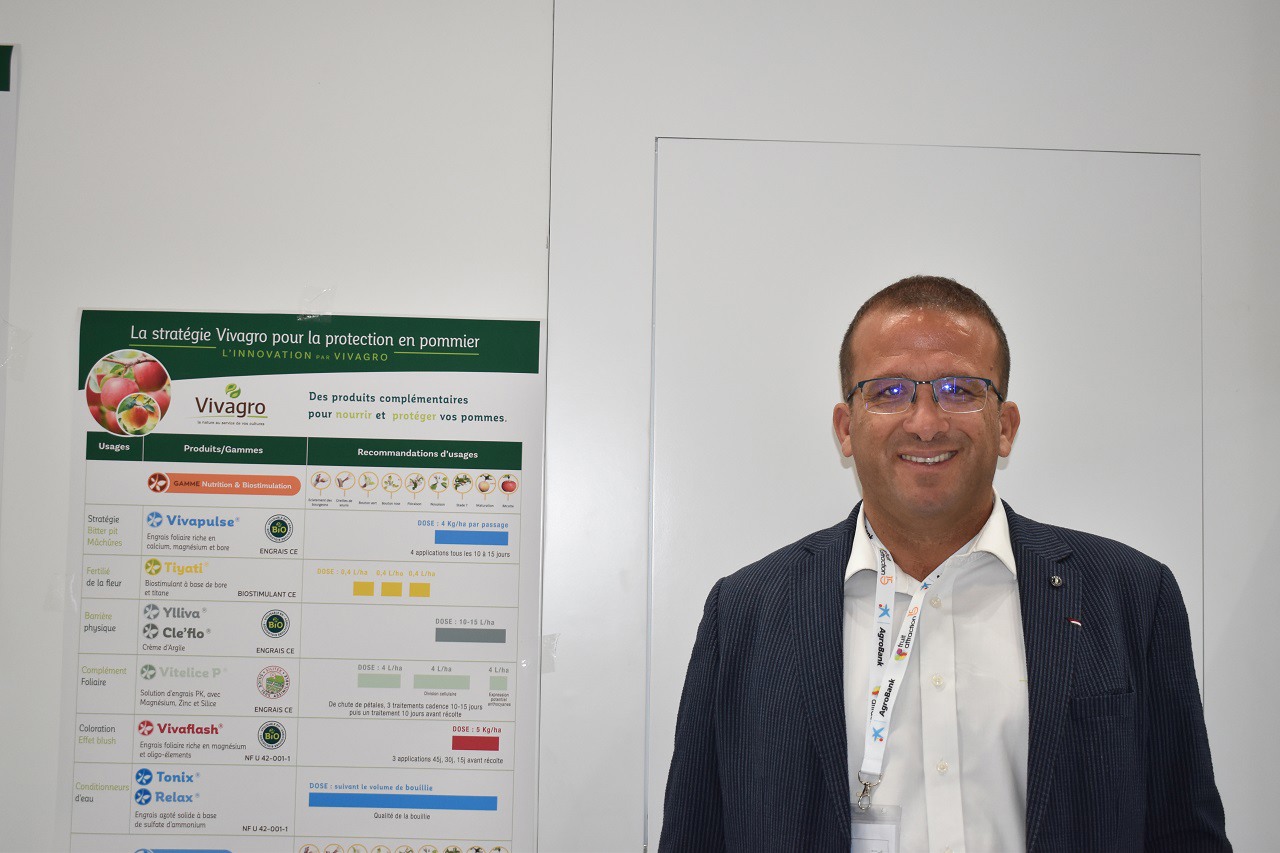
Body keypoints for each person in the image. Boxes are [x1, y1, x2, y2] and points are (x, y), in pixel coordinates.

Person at [659, 276, 1229, 852]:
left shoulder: (1130, 596)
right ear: (846, 428)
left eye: (959, 390)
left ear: (1004, 426)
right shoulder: (745, 613)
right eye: (889, 391)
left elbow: (1185, 834)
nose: (926, 422)